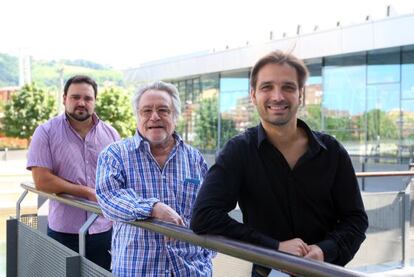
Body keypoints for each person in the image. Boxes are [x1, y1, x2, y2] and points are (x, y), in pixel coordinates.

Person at [190, 51, 368, 276]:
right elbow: (204, 216)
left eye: (288, 87)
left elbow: (356, 219)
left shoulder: (332, 151)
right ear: (253, 95)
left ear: (300, 95)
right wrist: (275, 248)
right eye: (267, 87)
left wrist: (323, 251)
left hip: (325, 271)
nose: (277, 96)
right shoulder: (238, 151)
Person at [96, 81, 213, 276]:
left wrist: (205, 258)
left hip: (191, 270)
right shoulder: (115, 154)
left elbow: (209, 210)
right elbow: (108, 197)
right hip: (137, 270)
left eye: (163, 110)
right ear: (137, 116)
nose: (154, 117)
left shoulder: (195, 158)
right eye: (146, 111)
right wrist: (153, 208)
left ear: (175, 116)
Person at [27, 75, 120, 271]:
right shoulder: (45, 132)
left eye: (87, 98)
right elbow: (42, 181)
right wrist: (86, 191)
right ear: (64, 98)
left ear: (95, 101)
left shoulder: (111, 135)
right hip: (64, 231)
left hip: (103, 230)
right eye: (75, 97)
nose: (81, 103)